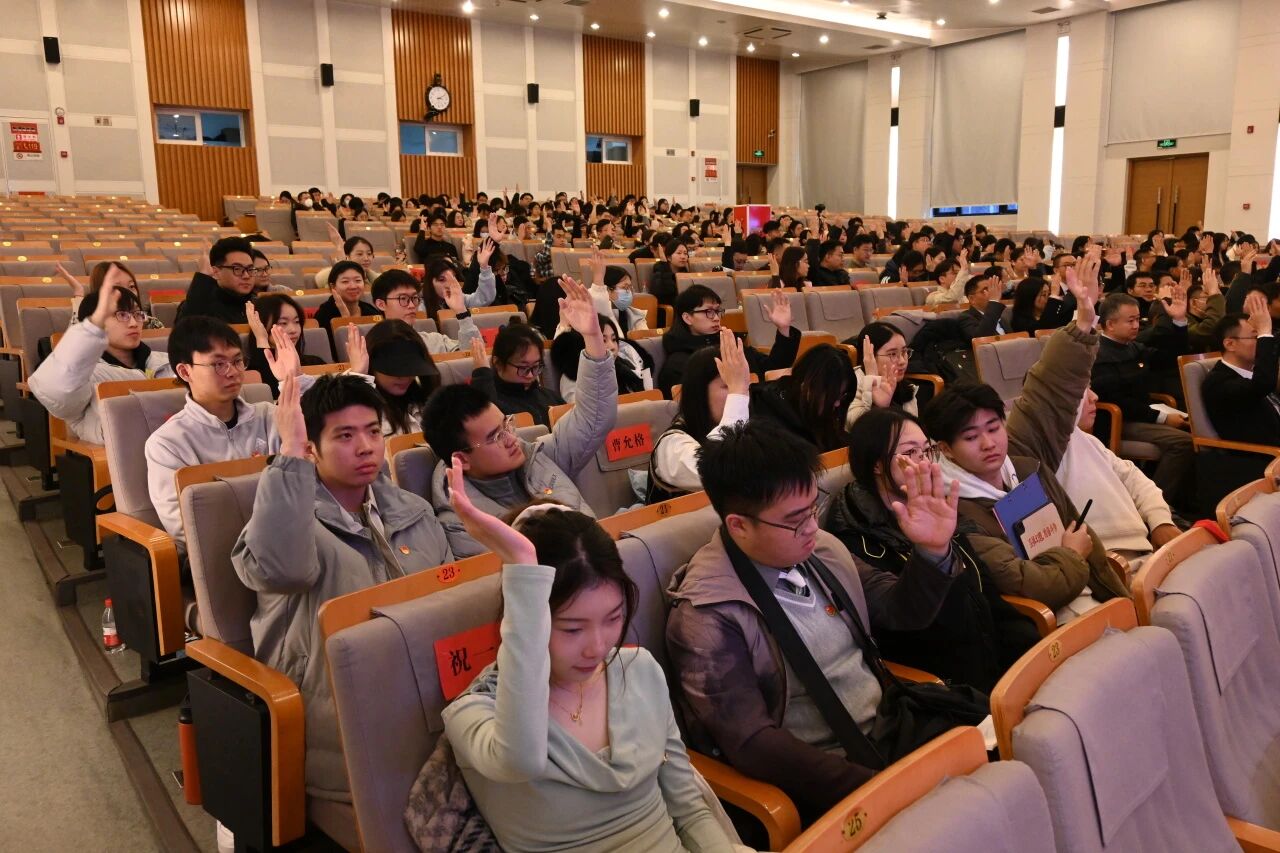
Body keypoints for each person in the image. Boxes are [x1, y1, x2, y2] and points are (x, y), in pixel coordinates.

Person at [666, 420, 973, 823]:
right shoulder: (707, 613)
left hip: (890, 725)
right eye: (795, 519)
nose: (812, 526)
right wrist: (880, 788)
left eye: (814, 507)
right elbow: (753, 743)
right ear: (738, 525)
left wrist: (932, 551)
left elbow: (899, 611)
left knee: (995, 747)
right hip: (829, 772)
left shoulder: (820, 551)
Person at [435, 480, 738, 852]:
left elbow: (689, 811)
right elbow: (521, 760)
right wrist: (524, 571)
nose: (598, 647)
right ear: (526, 617)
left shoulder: (639, 669)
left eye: (613, 618)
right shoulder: (475, 711)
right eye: (572, 629)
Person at [233, 373, 454, 814]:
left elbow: (449, 597)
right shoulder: (290, 524)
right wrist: (289, 454)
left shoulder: (411, 511)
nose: (366, 447)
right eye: (345, 436)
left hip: (427, 697)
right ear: (312, 448)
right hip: (340, 710)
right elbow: (283, 569)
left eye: (373, 431)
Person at [827, 407, 1039, 691]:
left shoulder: (936, 508)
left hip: (987, 657)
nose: (924, 462)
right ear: (877, 464)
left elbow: (983, 591)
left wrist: (1029, 648)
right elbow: (907, 626)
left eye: (926, 451)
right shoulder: (856, 539)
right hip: (944, 683)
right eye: (910, 453)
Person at [422, 277, 619, 556]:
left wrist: (593, 338)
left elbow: (593, 418)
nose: (511, 438)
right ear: (461, 460)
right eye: (495, 437)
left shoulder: (536, 456)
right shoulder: (462, 525)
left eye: (506, 425)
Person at [145, 317, 312, 545]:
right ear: (185, 371)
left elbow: (318, 463)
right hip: (225, 550)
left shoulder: (270, 416)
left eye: (237, 361)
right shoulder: (167, 443)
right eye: (219, 364)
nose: (233, 372)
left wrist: (294, 379)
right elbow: (184, 526)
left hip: (296, 536)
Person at [29, 279, 173, 444]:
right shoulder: (83, 375)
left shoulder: (167, 361)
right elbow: (56, 392)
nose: (134, 323)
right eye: (122, 315)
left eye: (137, 314)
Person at [1092, 292, 1194, 508]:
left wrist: (1179, 322)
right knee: (1182, 442)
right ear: (1110, 324)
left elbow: (1170, 360)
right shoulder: (1098, 354)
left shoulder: (1132, 346)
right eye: (1130, 321)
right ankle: (1154, 505)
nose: (1137, 325)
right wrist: (1161, 418)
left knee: (1194, 429)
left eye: (1138, 319)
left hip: (1142, 414)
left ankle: (1178, 500)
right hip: (1117, 420)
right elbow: (1116, 400)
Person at [650, 331, 753, 501]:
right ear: (699, 393)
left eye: (744, 385)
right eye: (728, 385)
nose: (742, 395)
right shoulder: (671, 445)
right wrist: (737, 394)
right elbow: (718, 469)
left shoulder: (752, 430)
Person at [658, 285, 800, 397]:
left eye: (717, 311)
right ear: (687, 318)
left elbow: (772, 368)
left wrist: (783, 329)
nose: (716, 318)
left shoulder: (731, 343)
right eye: (708, 312)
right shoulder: (678, 362)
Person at [1202, 292, 1280, 446]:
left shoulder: (1253, 373)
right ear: (1230, 344)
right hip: (1260, 454)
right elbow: (1262, 385)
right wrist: (1265, 332)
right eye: (1255, 337)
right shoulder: (1218, 382)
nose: (1260, 343)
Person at [751, 343, 856, 452]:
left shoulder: (820, 410)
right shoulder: (768, 418)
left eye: (842, 395)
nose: (837, 404)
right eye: (832, 395)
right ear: (806, 385)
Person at [370, 268, 481, 354]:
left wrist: (461, 311)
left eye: (414, 298)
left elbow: (476, 357)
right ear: (381, 304)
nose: (411, 305)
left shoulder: (435, 341)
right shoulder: (371, 348)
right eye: (403, 298)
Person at [473, 322, 563, 426]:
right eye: (523, 368)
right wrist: (482, 374)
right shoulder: (489, 398)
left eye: (535, 366)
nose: (530, 375)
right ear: (498, 363)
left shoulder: (550, 397)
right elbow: (489, 422)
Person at [551, 313, 652, 402]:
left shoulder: (624, 367)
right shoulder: (573, 378)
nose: (612, 347)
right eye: (603, 340)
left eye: (614, 339)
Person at [245, 293, 326, 397]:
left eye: (297, 321)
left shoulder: (315, 362)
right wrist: (261, 339)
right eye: (283, 323)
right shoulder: (254, 372)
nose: (293, 330)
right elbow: (273, 397)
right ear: (262, 325)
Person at [846, 322, 920, 427]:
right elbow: (859, 427)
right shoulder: (850, 384)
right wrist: (872, 380)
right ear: (869, 356)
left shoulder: (906, 387)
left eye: (904, 352)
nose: (902, 361)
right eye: (892, 354)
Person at [56, 260, 165, 329]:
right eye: (118, 288)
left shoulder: (152, 323)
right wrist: (79, 293)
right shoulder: (95, 327)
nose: (128, 293)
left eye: (132, 286)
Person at [176, 237, 256, 324]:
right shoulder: (199, 306)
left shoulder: (258, 304)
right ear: (216, 272)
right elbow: (187, 329)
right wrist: (204, 274)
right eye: (237, 269)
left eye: (250, 269)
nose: (246, 276)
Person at [313, 260, 380, 334]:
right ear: (333, 287)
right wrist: (345, 319)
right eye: (345, 281)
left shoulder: (371, 312)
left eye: (358, 280)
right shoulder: (323, 315)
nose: (353, 286)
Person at [1008, 277, 1072, 334]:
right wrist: (1054, 295)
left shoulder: (1053, 312)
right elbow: (1041, 330)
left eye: (1049, 294)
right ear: (1030, 297)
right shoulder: (1020, 320)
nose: (1049, 298)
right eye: (1044, 295)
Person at [957, 271, 1006, 339]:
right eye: (985, 290)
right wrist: (993, 301)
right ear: (972, 299)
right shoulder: (966, 318)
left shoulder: (1001, 315)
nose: (992, 294)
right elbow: (982, 338)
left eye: (992, 290)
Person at [649, 237, 690, 311]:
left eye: (685, 253)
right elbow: (666, 293)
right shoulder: (659, 273)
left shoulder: (685, 273)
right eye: (679, 253)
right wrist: (664, 265)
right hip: (668, 311)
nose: (683, 257)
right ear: (669, 257)